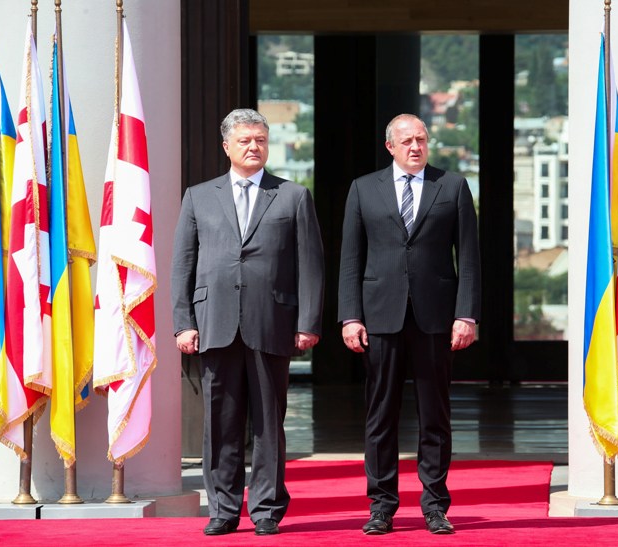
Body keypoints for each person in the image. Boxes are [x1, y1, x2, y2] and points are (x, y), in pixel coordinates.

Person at [171, 108, 324, 536]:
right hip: (213, 324)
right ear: (227, 147)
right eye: (244, 140)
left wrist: (308, 322)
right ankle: (222, 509)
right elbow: (183, 263)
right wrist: (183, 322)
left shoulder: (293, 196)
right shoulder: (198, 196)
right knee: (220, 422)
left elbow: (311, 266)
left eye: (260, 140)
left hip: (272, 322)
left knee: (269, 424)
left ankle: (267, 509)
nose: (254, 147)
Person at [338, 113, 481, 535]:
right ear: (390, 146)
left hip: (435, 318)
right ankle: (381, 506)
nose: (415, 147)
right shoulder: (363, 188)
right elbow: (351, 258)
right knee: (380, 415)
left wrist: (466, 314)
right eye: (407, 141)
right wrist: (350, 316)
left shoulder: (452, 186)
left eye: (421, 139)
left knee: (435, 414)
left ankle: (435, 505)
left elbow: (469, 257)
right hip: (380, 316)